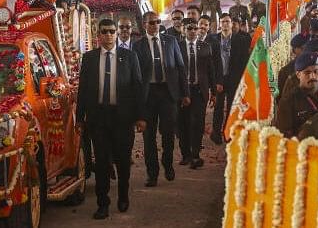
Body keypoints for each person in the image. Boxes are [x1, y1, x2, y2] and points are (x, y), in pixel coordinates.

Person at [76, 18, 145, 218]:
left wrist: (141, 117)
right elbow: (83, 90)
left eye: (112, 32)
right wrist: (80, 118)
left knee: (123, 161)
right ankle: (102, 203)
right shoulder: (89, 58)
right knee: (102, 162)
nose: (108, 35)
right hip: (98, 119)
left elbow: (138, 88)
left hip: (123, 119)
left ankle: (123, 196)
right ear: (98, 35)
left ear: (116, 34)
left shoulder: (129, 57)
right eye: (104, 32)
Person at [133, 11, 189, 188]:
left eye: (157, 22)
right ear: (144, 25)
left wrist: (185, 93)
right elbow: (135, 76)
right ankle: (152, 173)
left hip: (168, 93)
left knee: (168, 132)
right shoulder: (138, 46)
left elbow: (181, 68)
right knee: (149, 136)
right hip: (147, 94)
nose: (155, 25)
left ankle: (168, 163)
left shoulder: (170, 41)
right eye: (151, 22)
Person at [177, 18, 215, 169]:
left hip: (200, 91)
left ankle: (195, 154)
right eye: (189, 28)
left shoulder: (205, 47)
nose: (192, 31)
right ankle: (185, 154)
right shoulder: (177, 47)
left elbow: (210, 70)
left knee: (197, 123)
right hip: (182, 91)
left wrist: (213, 92)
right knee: (183, 123)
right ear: (183, 30)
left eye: (194, 28)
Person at [211, 13, 251, 143]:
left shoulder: (240, 40)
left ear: (231, 23)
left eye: (227, 21)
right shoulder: (213, 39)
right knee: (218, 107)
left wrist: (242, 80)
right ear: (219, 24)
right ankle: (216, 132)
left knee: (231, 107)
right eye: (222, 22)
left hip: (234, 79)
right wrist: (215, 81)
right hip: (219, 79)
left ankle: (228, 132)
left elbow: (244, 61)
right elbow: (210, 62)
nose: (225, 24)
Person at [276, 52, 318, 138]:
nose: (312, 76)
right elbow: (283, 136)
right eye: (307, 73)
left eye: (316, 71)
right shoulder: (288, 101)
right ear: (298, 75)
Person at [277, 34, 308, 100]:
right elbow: (281, 99)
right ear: (294, 50)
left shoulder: (316, 67)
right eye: (303, 48)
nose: (306, 51)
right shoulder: (286, 71)